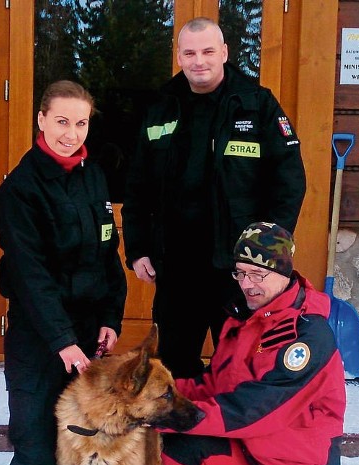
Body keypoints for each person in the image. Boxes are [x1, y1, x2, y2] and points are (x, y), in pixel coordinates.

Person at [154, 222, 345, 465]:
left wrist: (171, 415)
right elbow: (215, 385)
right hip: (251, 459)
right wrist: (156, 397)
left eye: (259, 273)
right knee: (181, 448)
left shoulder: (308, 334)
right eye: (241, 273)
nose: (248, 283)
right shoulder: (242, 319)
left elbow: (255, 409)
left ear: (284, 271)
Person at [0, 80, 127, 465]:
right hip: (38, 338)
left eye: (82, 123)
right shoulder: (19, 189)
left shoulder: (94, 175)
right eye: (62, 122)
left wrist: (111, 321)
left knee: (66, 447)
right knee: (31, 448)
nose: (72, 134)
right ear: (41, 121)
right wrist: (61, 341)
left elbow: (107, 255)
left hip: (86, 337)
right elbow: (30, 274)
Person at [122, 17, 306, 378]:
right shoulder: (162, 106)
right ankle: (181, 434)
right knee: (173, 363)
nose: (199, 61)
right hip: (175, 264)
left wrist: (268, 254)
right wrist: (138, 246)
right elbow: (137, 185)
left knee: (241, 361)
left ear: (224, 52)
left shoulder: (256, 105)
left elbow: (289, 182)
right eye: (189, 53)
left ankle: (233, 434)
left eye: (208, 51)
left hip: (238, 267)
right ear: (178, 56)